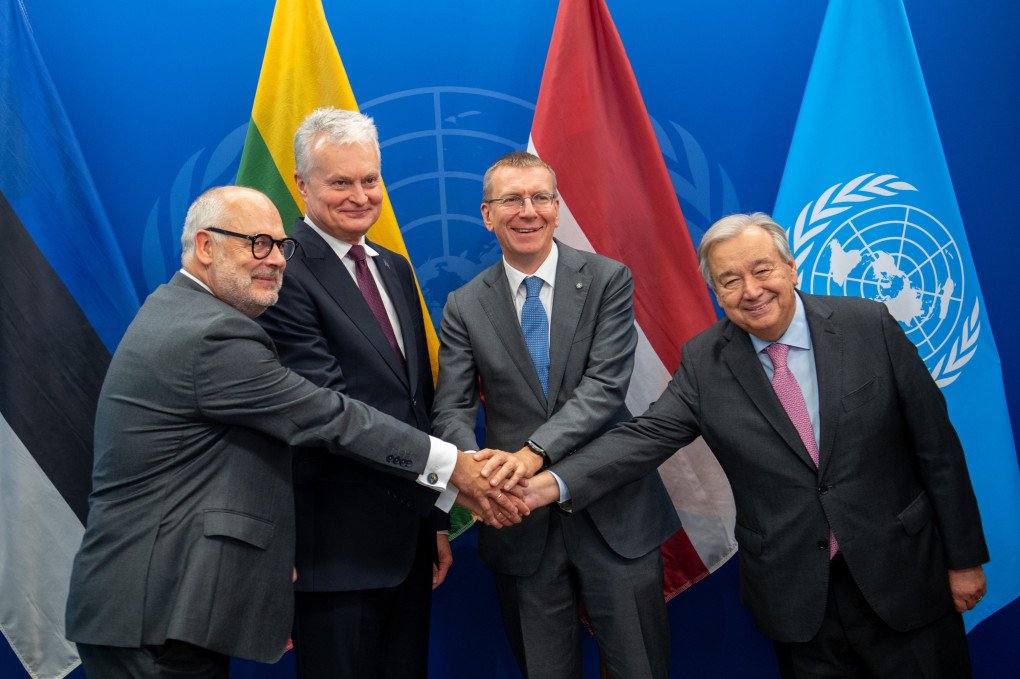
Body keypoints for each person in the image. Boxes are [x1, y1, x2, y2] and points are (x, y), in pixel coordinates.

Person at [64, 185, 522, 679]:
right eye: (257, 244)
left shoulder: (180, 309)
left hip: (159, 606)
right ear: (204, 246)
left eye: (281, 246)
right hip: (154, 610)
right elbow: (328, 417)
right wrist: (454, 467)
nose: (277, 260)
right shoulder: (212, 335)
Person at [513, 212, 989, 678]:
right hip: (800, 599)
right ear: (717, 293)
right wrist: (548, 485)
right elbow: (646, 435)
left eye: (762, 270)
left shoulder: (869, 326)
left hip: (904, 577)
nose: (752, 290)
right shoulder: (705, 361)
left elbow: (938, 450)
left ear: (790, 267)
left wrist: (963, 560)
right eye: (730, 280)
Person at [431, 152, 678, 679]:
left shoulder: (610, 279)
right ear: (487, 214)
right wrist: (475, 468)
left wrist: (529, 456)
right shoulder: (463, 304)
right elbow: (451, 406)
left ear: (557, 207)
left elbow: (604, 389)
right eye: (511, 200)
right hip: (517, 523)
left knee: (640, 668)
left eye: (540, 197)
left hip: (615, 514)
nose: (528, 211)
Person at [255, 107, 451, 678]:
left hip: (409, 542)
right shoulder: (281, 270)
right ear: (301, 185)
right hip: (333, 552)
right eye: (340, 181)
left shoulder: (392, 267)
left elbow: (417, 402)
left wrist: (435, 520)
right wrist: (452, 472)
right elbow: (326, 412)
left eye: (370, 179)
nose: (360, 195)